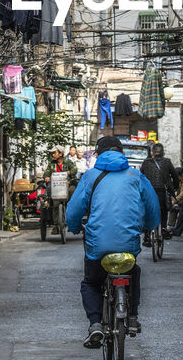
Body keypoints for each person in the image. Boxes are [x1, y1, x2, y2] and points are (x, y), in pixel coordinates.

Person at [66, 135, 161, 347]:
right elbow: (152, 206)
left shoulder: (91, 176)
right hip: (128, 244)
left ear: (98, 155)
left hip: (97, 246)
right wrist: (149, 226)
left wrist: (73, 227)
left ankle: (95, 324)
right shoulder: (135, 175)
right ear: (121, 153)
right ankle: (133, 317)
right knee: (133, 272)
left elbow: (74, 209)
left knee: (91, 282)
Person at [140, 142, 181, 240]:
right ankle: (163, 229)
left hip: (149, 192)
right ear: (163, 152)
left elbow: (141, 177)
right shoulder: (167, 162)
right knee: (163, 211)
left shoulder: (146, 162)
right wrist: (174, 188)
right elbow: (175, 177)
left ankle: (146, 235)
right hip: (163, 192)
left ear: (152, 152)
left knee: (148, 211)